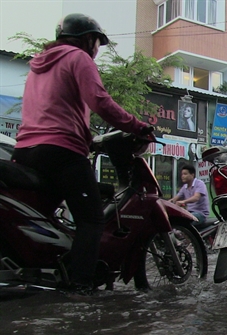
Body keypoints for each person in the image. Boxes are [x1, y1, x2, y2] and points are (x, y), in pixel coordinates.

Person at [11, 14, 151, 295]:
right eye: (97, 42)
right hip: (61, 152)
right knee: (91, 219)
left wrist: (88, 139)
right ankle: (82, 287)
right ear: (87, 39)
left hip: (25, 151)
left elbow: (53, 110)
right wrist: (138, 125)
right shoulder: (78, 58)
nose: (96, 49)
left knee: (49, 215)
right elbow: (99, 101)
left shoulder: (38, 66)